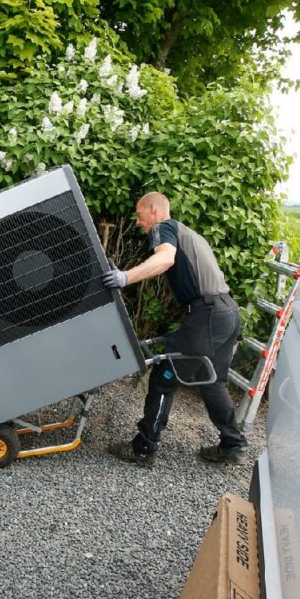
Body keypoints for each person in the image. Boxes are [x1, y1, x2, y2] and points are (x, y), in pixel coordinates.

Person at [103, 192, 247, 466]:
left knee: (163, 376)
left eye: (139, 214)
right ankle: (233, 445)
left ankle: (143, 448)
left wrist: (125, 277)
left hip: (208, 315)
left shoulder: (164, 227)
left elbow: (165, 259)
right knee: (211, 379)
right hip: (227, 312)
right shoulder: (187, 232)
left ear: (153, 210)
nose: (138, 222)